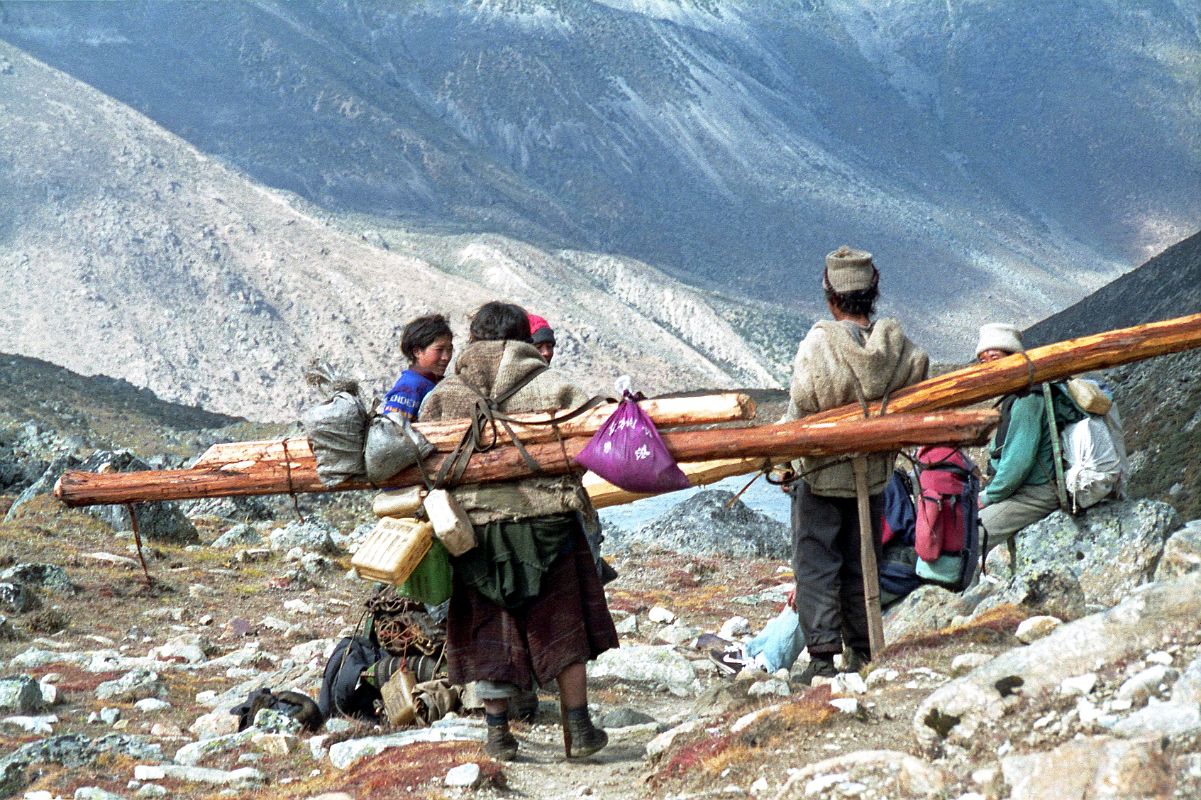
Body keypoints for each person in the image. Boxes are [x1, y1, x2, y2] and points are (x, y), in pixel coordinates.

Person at [419, 301, 617, 761]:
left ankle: (497, 733)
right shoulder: (553, 384)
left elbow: (423, 458)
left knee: (491, 625)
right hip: (549, 522)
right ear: (523, 341)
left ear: (475, 339)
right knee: (561, 620)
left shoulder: (445, 394)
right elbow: (594, 434)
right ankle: (580, 727)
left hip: (473, 531)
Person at [778, 246, 928, 683]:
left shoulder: (821, 343)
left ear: (830, 295)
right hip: (875, 476)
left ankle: (823, 659)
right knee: (864, 560)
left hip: (822, 476)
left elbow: (801, 405)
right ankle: (863, 651)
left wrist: (783, 458)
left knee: (816, 564)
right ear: (873, 291)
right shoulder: (899, 347)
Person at [975, 322, 1059, 564]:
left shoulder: (1027, 399)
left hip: (1035, 492)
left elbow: (1017, 464)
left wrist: (987, 497)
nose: (989, 364)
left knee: (972, 535)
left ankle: (957, 598)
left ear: (1014, 357)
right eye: (982, 360)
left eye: (994, 356)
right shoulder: (1015, 395)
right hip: (1021, 488)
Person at [381, 314, 454, 420]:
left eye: (449, 349)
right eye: (439, 350)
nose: (446, 357)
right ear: (417, 352)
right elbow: (392, 430)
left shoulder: (434, 382)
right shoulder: (410, 387)